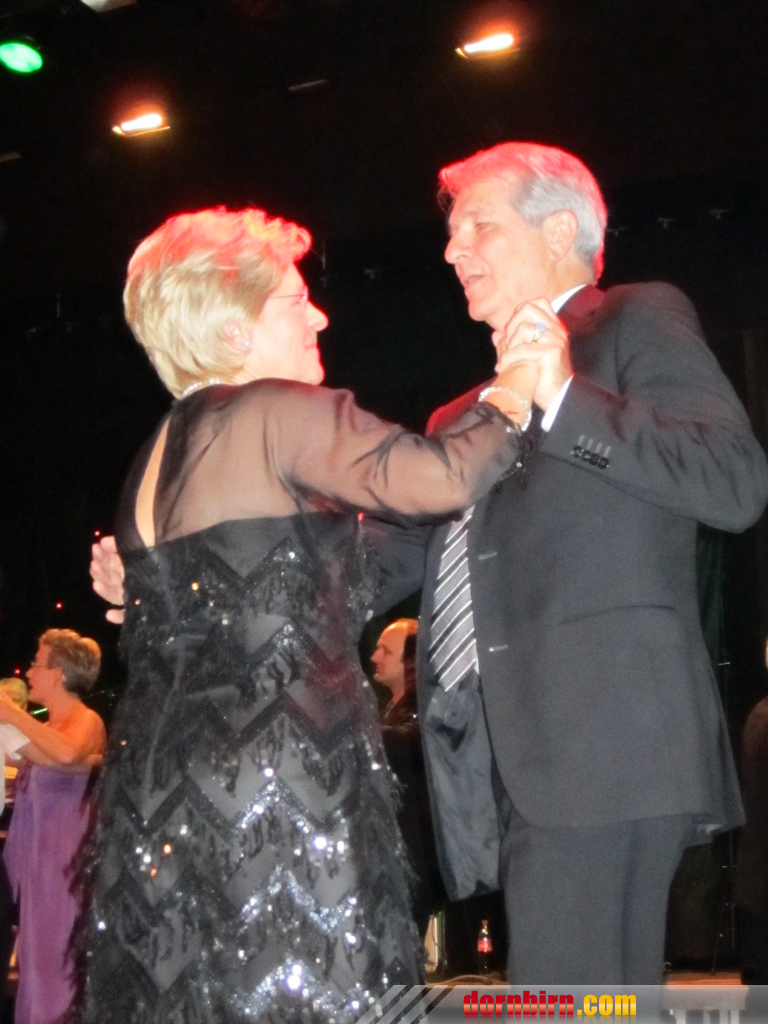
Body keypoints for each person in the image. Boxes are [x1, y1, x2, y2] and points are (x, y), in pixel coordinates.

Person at [80, 206, 536, 1023]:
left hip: (160, 786)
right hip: (279, 777)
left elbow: (308, 584)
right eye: (295, 299)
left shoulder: (153, 457)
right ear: (235, 329)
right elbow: (441, 478)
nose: (319, 315)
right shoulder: (275, 411)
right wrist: (516, 391)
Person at [415, 141, 768, 985]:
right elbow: (388, 546)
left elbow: (732, 480)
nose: (453, 251)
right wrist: (189, 576)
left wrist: (565, 396)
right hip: (509, 754)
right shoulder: (459, 416)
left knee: (562, 999)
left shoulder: (633, 321)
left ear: (557, 231)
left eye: (479, 227)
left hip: (607, 742)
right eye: (453, 234)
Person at [0, 630, 105, 1024]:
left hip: (64, 870)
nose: (28, 673)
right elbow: (30, 754)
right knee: (35, 970)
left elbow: (66, 752)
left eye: (36, 664)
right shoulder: (49, 726)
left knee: (56, 973)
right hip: (35, 869)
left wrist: (13, 714)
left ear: (58, 673)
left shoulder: (85, 719)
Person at [371, 620, 444, 941]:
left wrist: (352, 729)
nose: (374, 657)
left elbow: (405, 744)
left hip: (414, 860)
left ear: (411, 660)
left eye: (385, 651)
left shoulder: (427, 707)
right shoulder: (392, 709)